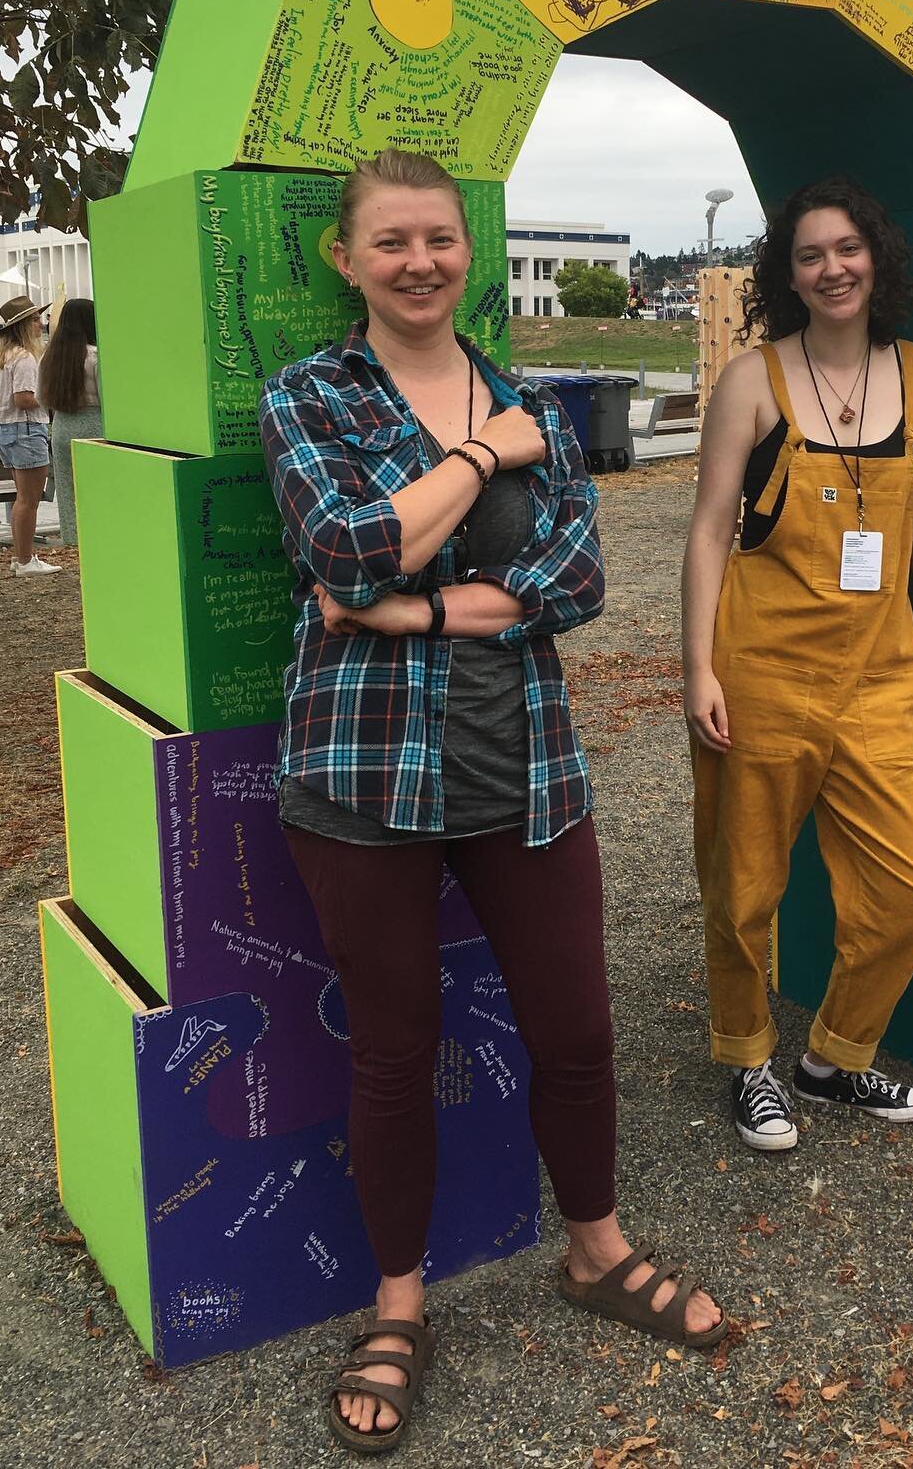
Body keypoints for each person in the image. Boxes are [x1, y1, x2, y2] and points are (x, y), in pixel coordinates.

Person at [259, 149, 722, 1454]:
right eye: (391, 242)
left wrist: (408, 601)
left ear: (467, 252)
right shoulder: (312, 398)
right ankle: (397, 1306)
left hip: (525, 763)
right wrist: (475, 458)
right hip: (359, 771)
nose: (420, 262)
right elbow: (336, 546)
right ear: (347, 259)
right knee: (394, 1049)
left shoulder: (537, 399)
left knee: (576, 1027)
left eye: (439, 241)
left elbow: (575, 581)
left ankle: (597, 1250)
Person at [681, 176, 913, 1156]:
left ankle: (836, 1055)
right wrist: (699, 670)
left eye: (846, 248)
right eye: (809, 255)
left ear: (875, 257)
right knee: (746, 885)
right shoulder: (751, 383)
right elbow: (709, 531)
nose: (832, 268)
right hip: (761, 668)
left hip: (880, 677)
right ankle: (750, 1062)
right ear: (788, 274)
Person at [0, 295, 59, 576]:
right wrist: (50, 398)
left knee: (22, 498)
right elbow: (24, 398)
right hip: (27, 430)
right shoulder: (26, 358)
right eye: (35, 319)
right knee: (29, 500)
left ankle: (21, 556)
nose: (41, 324)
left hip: (5, 430)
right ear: (24, 326)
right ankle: (26, 560)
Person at [38, 297, 100, 546]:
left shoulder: (49, 357)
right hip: (95, 424)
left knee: (67, 488)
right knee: (97, 486)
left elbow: (41, 398)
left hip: (62, 426)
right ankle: (99, 535)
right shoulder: (95, 356)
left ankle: (73, 537)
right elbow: (107, 397)